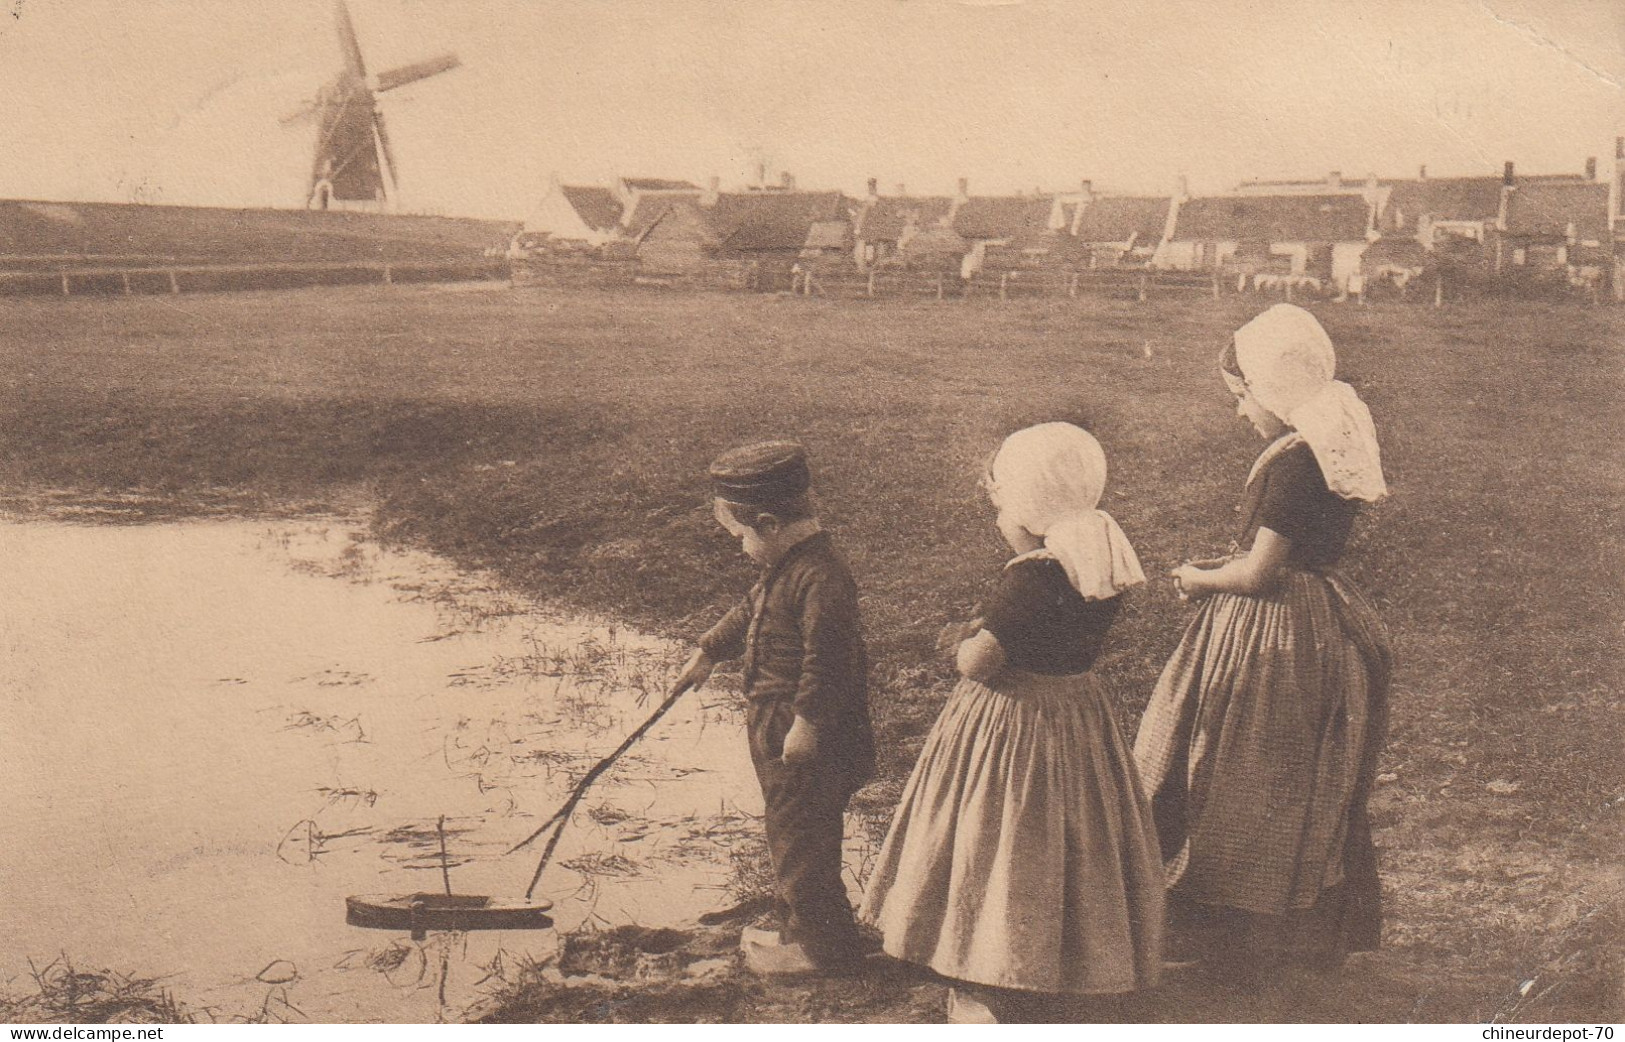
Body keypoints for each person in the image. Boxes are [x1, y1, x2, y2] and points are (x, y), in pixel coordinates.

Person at [860, 423, 1165, 1022]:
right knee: (1072, 840)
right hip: (1077, 715)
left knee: (1002, 840)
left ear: (1029, 508)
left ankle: (992, 971)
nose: (999, 520)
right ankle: (1069, 961)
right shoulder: (1093, 558)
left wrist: (959, 642)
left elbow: (979, 663)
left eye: (1001, 505)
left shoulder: (1031, 577)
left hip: (1015, 725)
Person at [1133, 303, 1394, 973]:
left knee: (1238, 771)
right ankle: (1294, 934)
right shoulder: (1324, 442)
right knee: (1298, 779)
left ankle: (1230, 939)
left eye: (1243, 394)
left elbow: (1256, 574)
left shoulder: (1297, 463)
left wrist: (1196, 577)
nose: (1240, 411)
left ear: (1273, 388)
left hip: (1277, 631)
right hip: (1318, 617)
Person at [673, 439, 875, 976]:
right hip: (778, 726)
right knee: (789, 830)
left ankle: (824, 954)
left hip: (803, 731)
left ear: (768, 522)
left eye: (740, 537)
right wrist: (708, 651)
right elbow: (750, 610)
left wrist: (806, 724)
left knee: (802, 841)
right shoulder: (787, 567)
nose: (740, 548)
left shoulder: (821, 578)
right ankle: (804, 927)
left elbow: (829, 660)